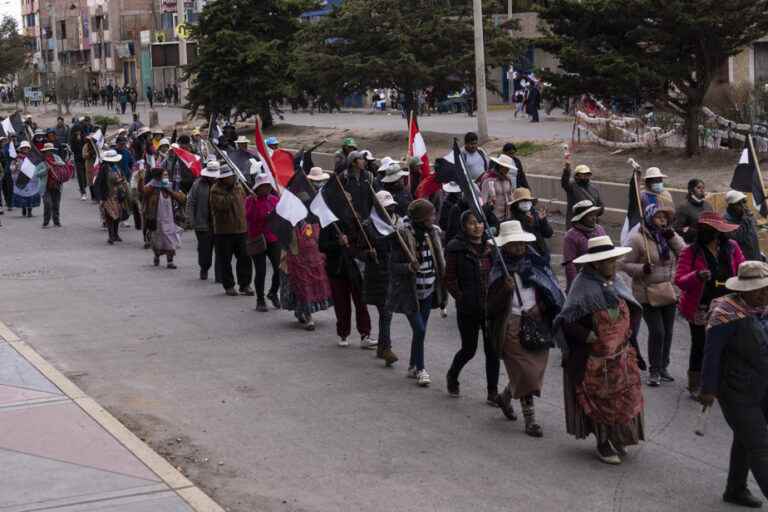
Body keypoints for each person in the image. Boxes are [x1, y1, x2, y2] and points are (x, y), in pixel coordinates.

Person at [556, 235, 645, 464]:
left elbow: (632, 307)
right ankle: (603, 443)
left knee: (623, 400)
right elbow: (566, 319)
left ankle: (618, 438)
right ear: (595, 263)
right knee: (601, 402)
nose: (612, 265)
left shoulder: (617, 283)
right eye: (607, 261)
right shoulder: (582, 286)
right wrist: (588, 335)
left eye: (613, 260)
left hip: (620, 357)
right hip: (595, 360)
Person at [486, 220, 564, 436]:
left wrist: (541, 307)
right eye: (513, 244)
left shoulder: (537, 264)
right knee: (526, 373)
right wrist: (504, 290)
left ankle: (506, 396)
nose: (519, 247)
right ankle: (531, 420)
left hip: (538, 324)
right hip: (511, 325)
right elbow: (490, 307)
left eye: (521, 243)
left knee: (532, 371)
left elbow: (553, 292)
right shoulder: (498, 272)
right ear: (505, 247)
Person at [701, 261, 768, 508]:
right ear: (743, 289)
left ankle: (735, 489)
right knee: (760, 446)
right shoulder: (725, 314)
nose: (764, 293)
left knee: (745, 439)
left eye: (766, 288)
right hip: (737, 391)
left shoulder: (762, 308)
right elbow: (711, 355)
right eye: (759, 289)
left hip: (762, 386)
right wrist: (708, 389)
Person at [675, 212, 745, 398]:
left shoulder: (731, 248)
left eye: (712, 230)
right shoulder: (690, 252)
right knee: (701, 346)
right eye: (705, 230)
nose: (708, 234)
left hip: (728, 304)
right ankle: (696, 384)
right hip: (701, 307)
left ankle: (721, 382)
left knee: (726, 345)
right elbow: (680, 280)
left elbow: (742, 268)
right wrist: (697, 276)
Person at [620, 204, 685, 386]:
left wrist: (672, 238)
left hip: (668, 290)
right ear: (649, 218)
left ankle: (664, 366)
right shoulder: (637, 239)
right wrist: (642, 268)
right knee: (658, 332)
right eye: (658, 217)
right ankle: (654, 370)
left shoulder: (668, 235)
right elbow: (624, 264)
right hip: (647, 293)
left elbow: (685, 253)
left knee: (668, 332)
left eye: (665, 217)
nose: (662, 221)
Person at [386, 199, 446, 387]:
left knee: (420, 332)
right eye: (430, 216)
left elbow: (439, 261)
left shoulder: (434, 234)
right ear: (420, 218)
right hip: (409, 292)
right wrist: (408, 267)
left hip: (428, 290)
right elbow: (393, 266)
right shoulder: (402, 236)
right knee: (419, 329)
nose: (433, 219)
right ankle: (421, 369)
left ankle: (412, 364)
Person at [445, 210, 499, 404]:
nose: (477, 227)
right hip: (468, 309)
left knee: (492, 351)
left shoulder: (492, 248)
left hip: (490, 309)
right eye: (472, 223)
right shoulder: (456, 248)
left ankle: (492, 392)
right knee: (469, 349)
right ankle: (452, 375)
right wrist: (461, 297)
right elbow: (449, 279)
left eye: (480, 223)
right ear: (464, 226)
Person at [280, 169, 333, 331]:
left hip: (315, 244)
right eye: (316, 182)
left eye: (320, 182)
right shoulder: (299, 197)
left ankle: (306, 310)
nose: (319, 185)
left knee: (314, 278)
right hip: (298, 243)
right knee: (300, 280)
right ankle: (306, 313)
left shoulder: (322, 198)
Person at [362, 190, 400, 366]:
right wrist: (367, 254)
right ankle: (386, 348)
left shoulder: (398, 223)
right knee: (386, 312)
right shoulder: (368, 226)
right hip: (376, 275)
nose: (390, 211)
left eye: (391, 207)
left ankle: (382, 347)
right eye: (386, 208)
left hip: (393, 274)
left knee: (386, 313)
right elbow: (357, 250)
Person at [209, 165, 253, 296]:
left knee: (245, 258)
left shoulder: (239, 187)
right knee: (225, 260)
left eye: (232, 176)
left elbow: (245, 203)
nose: (231, 179)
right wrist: (232, 192)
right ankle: (229, 285)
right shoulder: (215, 190)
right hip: (224, 231)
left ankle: (245, 284)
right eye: (228, 177)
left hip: (241, 229)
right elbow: (223, 206)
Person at [245, 173, 281, 311]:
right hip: (257, 238)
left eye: (267, 185)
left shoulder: (274, 200)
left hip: (273, 238)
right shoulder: (250, 200)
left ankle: (273, 292)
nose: (265, 188)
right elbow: (250, 217)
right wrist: (255, 204)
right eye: (263, 186)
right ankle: (260, 299)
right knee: (261, 271)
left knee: (279, 268)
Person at [186, 161, 222, 282]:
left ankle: (220, 275)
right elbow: (191, 202)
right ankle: (204, 268)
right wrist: (191, 219)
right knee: (204, 250)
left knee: (221, 251)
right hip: (202, 223)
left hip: (220, 223)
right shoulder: (198, 184)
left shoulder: (223, 184)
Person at [143, 167, 185, 268]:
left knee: (170, 238)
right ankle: (157, 255)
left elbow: (182, 199)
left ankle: (170, 261)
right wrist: (141, 179)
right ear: (158, 177)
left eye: (167, 175)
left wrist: (170, 191)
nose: (166, 177)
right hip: (156, 219)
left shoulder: (171, 186)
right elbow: (143, 193)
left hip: (170, 219)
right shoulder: (151, 186)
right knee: (157, 239)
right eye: (164, 175)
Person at [562, 200, 607, 291]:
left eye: (595, 214)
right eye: (590, 215)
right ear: (581, 218)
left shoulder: (600, 229)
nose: (594, 218)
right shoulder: (571, 236)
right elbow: (570, 265)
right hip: (584, 281)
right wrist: (576, 287)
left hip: (602, 279)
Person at [509, 187, 553, 263]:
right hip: (527, 258)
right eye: (523, 201)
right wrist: (528, 223)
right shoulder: (513, 219)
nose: (526, 203)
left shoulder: (535, 213)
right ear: (516, 204)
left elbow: (548, 233)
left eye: (528, 200)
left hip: (542, 253)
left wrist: (543, 221)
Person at [94, 150, 128, 244]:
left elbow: (123, 177)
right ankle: (111, 236)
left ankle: (116, 234)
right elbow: (98, 183)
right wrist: (100, 198)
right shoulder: (104, 169)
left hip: (118, 195)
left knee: (117, 216)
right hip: (108, 196)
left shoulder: (117, 167)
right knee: (109, 216)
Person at [561, 163, 603, 228]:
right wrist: (567, 170)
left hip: (591, 224)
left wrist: (595, 212)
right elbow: (564, 182)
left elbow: (600, 205)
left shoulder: (594, 189)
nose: (586, 176)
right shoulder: (572, 186)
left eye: (587, 174)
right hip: (576, 224)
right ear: (577, 176)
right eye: (583, 174)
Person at [724, 190, 763, 262]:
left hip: (755, 257)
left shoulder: (748, 216)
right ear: (731, 206)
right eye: (739, 203)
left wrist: (759, 254)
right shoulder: (726, 222)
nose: (743, 206)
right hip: (743, 262)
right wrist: (745, 219)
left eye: (744, 201)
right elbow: (739, 238)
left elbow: (753, 234)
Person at [11, 141, 46, 217]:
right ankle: (24, 208)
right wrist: (15, 167)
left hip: (31, 179)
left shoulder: (33, 157)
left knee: (31, 194)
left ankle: (29, 210)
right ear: (21, 149)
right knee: (23, 194)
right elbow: (12, 167)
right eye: (23, 148)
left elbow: (37, 166)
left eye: (26, 148)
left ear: (29, 149)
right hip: (21, 178)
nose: (25, 149)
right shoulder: (17, 158)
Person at [41, 142, 71, 228]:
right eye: (47, 150)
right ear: (44, 152)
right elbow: (37, 173)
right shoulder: (42, 161)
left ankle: (56, 221)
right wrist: (46, 170)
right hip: (46, 186)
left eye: (51, 150)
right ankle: (46, 222)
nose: (49, 152)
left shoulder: (57, 158)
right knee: (47, 204)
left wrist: (55, 164)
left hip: (57, 184)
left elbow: (63, 165)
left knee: (56, 204)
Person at [674, 178, 712, 243]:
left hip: (708, 242)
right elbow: (677, 229)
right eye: (699, 188)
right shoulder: (683, 207)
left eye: (703, 188)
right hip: (692, 244)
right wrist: (691, 231)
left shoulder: (707, 205)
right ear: (691, 190)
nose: (702, 190)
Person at [480, 154, 517, 220]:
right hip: (493, 216)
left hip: (507, 215)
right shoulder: (488, 179)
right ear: (500, 166)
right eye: (506, 167)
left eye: (508, 168)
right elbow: (484, 198)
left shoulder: (507, 179)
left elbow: (510, 195)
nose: (508, 170)